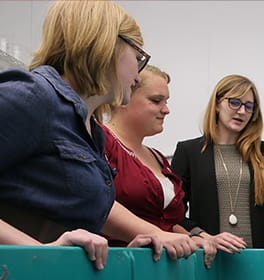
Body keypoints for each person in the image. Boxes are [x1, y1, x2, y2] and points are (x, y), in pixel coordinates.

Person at [0, 0, 196, 267]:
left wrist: (129, 247)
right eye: (137, 56)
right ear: (106, 45)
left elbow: (79, 214)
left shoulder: (90, 129)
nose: (138, 76)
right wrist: (40, 251)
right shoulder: (33, 96)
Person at [103, 65, 216, 268]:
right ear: (124, 97)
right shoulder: (102, 142)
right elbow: (96, 204)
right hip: (116, 265)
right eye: (156, 101)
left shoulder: (157, 157)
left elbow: (167, 223)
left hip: (162, 267)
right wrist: (158, 234)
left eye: (166, 101)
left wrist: (193, 238)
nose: (166, 109)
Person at [171, 74, 264, 252]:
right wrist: (203, 237)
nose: (242, 111)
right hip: (209, 257)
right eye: (234, 102)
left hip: (257, 257)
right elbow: (174, 213)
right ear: (217, 104)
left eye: (249, 106)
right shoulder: (189, 151)